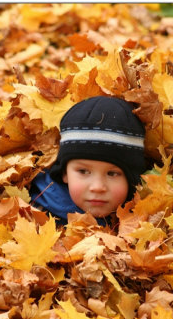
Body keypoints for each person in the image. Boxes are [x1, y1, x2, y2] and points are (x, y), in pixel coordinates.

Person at [29, 96, 147, 226]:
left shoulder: (148, 222)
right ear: (64, 173)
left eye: (112, 173)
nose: (97, 187)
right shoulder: (36, 216)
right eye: (84, 171)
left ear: (131, 179)